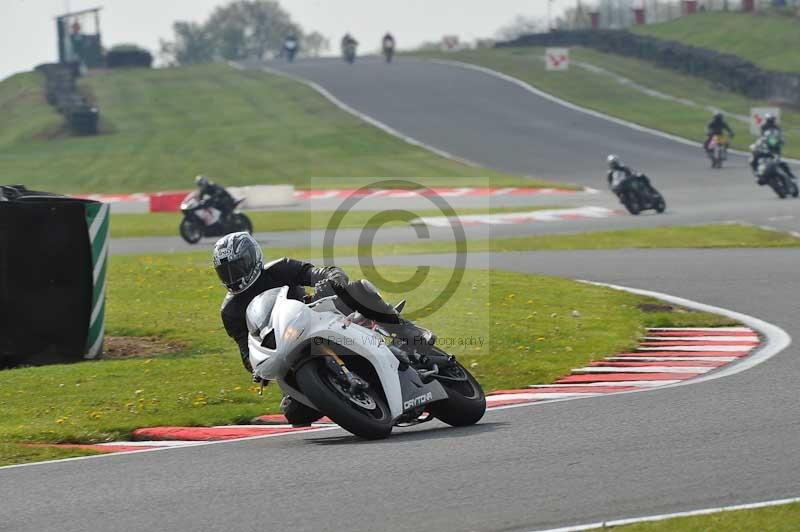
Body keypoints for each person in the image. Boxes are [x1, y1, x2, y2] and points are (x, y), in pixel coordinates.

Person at [213, 232, 436, 425]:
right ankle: (352, 396)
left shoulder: (279, 268)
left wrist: (333, 277)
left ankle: (409, 332)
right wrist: (256, 368)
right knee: (295, 414)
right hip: (286, 346)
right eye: (226, 272)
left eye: (237, 267)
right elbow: (246, 348)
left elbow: (317, 273)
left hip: (316, 314)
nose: (234, 276)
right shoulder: (231, 311)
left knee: (356, 290)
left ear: (252, 258)